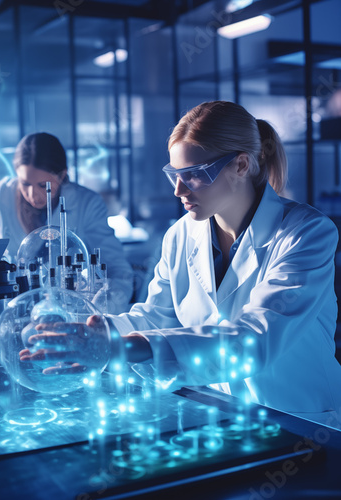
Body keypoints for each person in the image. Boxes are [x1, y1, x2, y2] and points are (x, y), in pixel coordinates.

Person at [22, 101, 341, 429]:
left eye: (194, 175)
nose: (178, 190)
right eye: (174, 174)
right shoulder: (181, 235)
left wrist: (116, 349)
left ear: (241, 165)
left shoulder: (306, 233)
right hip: (222, 416)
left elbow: (254, 339)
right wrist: (96, 331)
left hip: (300, 421)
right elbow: (156, 316)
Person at [0, 132, 134, 313]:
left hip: (72, 314)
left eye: (43, 185)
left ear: (62, 175)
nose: (33, 194)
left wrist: (98, 312)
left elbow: (118, 271)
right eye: (25, 182)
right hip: (18, 311)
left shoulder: (87, 203)